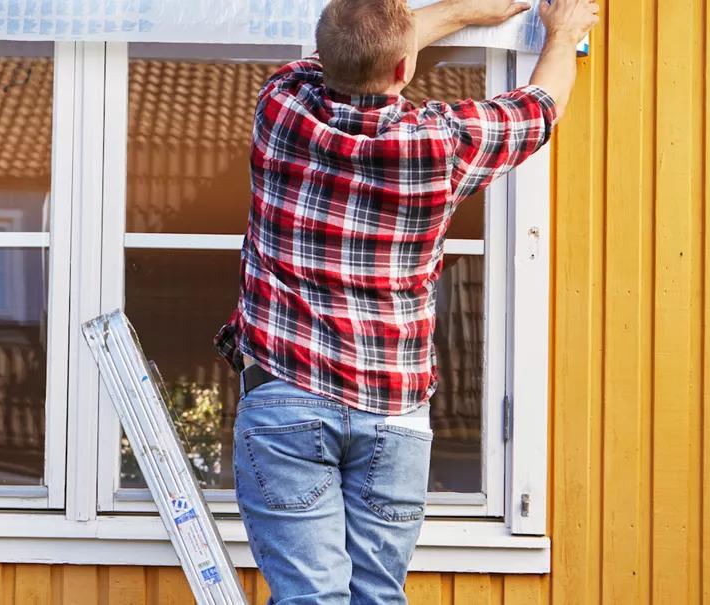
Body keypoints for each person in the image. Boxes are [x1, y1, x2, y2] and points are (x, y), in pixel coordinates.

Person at [216, 0, 597, 602]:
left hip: (285, 399)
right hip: (390, 411)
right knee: (378, 596)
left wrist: (455, 12)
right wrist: (564, 30)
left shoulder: (281, 107)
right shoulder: (439, 145)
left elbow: (359, 54)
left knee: (310, 598)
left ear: (325, 55)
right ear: (404, 71)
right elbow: (540, 108)